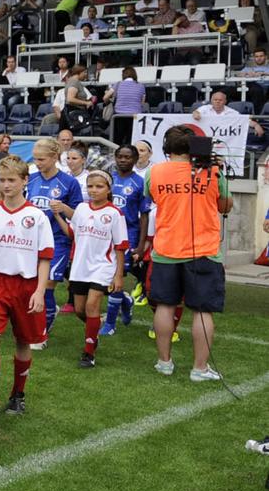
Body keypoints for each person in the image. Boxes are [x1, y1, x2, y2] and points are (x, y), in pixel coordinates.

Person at [144, 125, 231, 381]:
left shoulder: (154, 171)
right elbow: (225, 205)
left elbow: (154, 197)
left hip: (166, 249)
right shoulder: (212, 171)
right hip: (203, 250)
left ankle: (164, 362)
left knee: (165, 305)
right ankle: (199, 368)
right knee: (202, 310)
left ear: (166, 148)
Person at [0, 156, 53, 425]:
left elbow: (44, 258)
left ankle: (18, 394)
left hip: (26, 285)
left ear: (25, 181)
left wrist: (39, 291)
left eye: (12, 180)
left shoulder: (37, 216)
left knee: (23, 341)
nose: (6, 185)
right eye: (2, 180)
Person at [57, 170, 128, 368]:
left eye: (99, 186)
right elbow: (72, 233)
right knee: (80, 310)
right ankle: (93, 331)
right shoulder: (81, 209)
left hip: (103, 266)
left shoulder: (114, 213)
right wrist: (57, 215)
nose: (94, 190)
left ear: (109, 189)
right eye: (90, 186)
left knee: (91, 305)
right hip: (80, 266)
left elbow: (120, 246)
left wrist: (118, 275)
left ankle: (89, 353)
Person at [25, 137, 82, 348]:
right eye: (35, 159)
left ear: (54, 157)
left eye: (41, 159)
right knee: (33, 284)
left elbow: (78, 215)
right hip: (31, 241)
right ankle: (46, 314)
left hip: (58, 240)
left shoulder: (69, 182)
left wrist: (63, 209)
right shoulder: (30, 179)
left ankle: (41, 334)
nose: (37, 163)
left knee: (47, 284)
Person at [103, 144, 150, 336]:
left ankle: (110, 323)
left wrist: (140, 245)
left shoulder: (140, 182)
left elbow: (144, 215)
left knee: (118, 274)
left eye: (127, 157)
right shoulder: (107, 180)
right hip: (106, 233)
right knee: (105, 277)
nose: (123, 160)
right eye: (120, 156)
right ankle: (125, 300)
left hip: (128, 234)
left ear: (135, 159)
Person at [193, 91, 266, 138]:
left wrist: (256, 125)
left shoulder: (231, 112)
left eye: (220, 100)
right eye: (215, 100)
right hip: (206, 137)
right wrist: (195, 113)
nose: (217, 102)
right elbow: (195, 112)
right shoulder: (205, 108)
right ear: (211, 101)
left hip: (225, 139)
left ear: (225, 101)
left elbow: (244, 120)